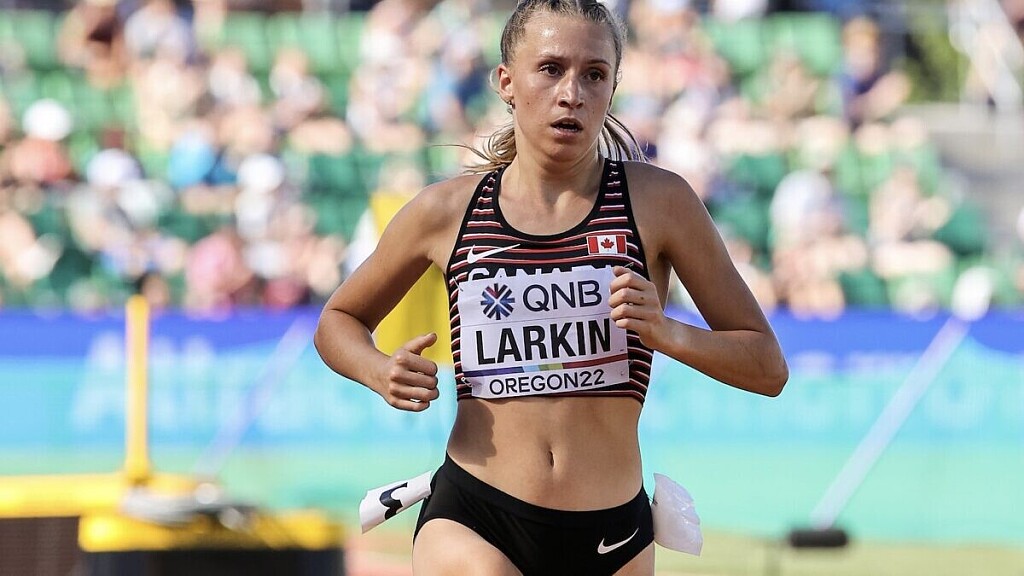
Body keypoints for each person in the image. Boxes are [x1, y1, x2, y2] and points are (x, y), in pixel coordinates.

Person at [313, 1, 789, 574]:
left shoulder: (660, 202)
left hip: (613, 532)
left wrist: (668, 332)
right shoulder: (445, 212)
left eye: (595, 74)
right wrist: (378, 370)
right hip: (476, 515)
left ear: (613, 88)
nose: (572, 93)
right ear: (506, 82)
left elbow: (767, 367)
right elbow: (337, 321)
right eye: (551, 69)